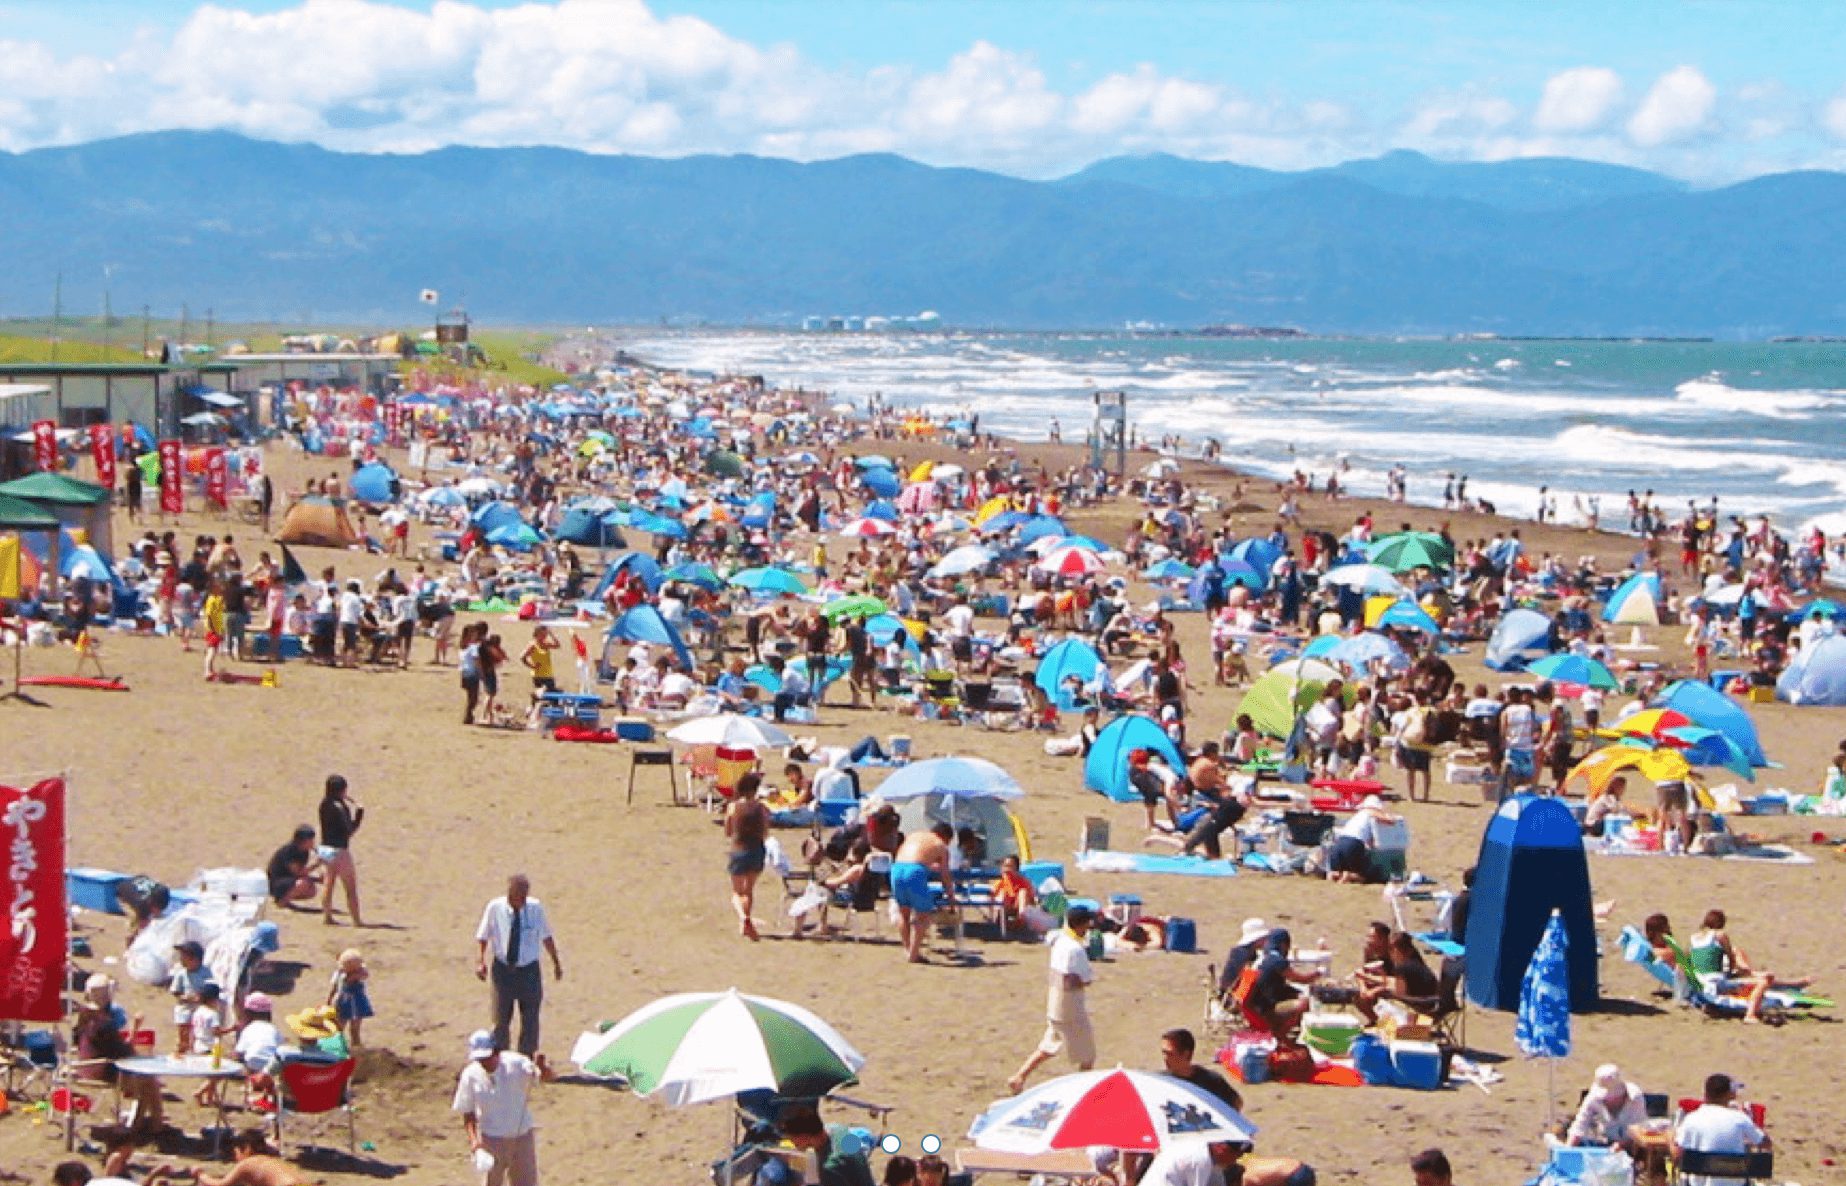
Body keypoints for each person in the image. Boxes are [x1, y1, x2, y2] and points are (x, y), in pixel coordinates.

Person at [1007, 904, 1097, 1094]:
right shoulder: (1076, 950)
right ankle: (1080, 1092)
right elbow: (1084, 979)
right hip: (1071, 1006)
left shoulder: (1060, 941)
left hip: (1055, 1001)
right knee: (1087, 1054)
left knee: (1049, 1044)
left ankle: (1019, 1076)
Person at [453, 1030, 557, 1186]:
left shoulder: (517, 1063)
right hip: (491, 1140)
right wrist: (475, 1142)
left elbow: (546, 1077)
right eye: (480, 1059)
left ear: (496, 1052)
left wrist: (542, 1067)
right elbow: (467, 1111)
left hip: (522, 1137)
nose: (484, 1063)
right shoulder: (470, 1075)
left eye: (487, 1058)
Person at [475, 875, 563, 1057]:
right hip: (503, 969)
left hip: (529, 970)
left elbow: (546, 936)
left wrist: (556, 962)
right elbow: (483, 936)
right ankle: (500, 1056)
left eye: (524, 896)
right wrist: (480, 960)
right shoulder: (495, 908)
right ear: (509, 894)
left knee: (530, 1017)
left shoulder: (535, 909)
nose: (521, 901)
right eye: (517, 896)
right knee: (501, 1017)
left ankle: (526, 1058)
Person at [1688, 909, 1813, 1023]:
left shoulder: (1694, 938)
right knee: (1763, 981)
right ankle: (1750, 1014)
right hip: (1715, 983)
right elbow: (1731, 958)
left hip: (1700, 983)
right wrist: (1736, 972)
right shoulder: (1719, 935)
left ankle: (1795, 984)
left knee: (1755, 976)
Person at [1672, 1072, 1768, 1186]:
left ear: (1705, 1094)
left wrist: (1670, 1139)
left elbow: (1677, 1153)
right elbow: (1765, 1143)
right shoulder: (1740, 1118)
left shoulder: (1692, 1119)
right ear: (1731, 1095)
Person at [890, 823, 954, 965]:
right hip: (915, 871)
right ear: (946, 837)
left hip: (896, 868)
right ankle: (914, 954)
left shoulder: (914, 836)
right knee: (923, 915)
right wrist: (951, 898)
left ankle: (908, 949)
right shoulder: (940, 845)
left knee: (903, 912)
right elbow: (945, 876)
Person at [723, 771, 771, 942]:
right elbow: (765, 832)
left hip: (739, 850)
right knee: (749, 890)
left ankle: (744, 919)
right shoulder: (762, 808)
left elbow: (728, 832)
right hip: (757, 850)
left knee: (736, 893)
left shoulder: (733, 807)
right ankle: (745, 924)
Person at [773, 1109, 875, 1186]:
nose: (792, 1142)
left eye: (793, 1138)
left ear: (804, 1136)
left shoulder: (830, 1167)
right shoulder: (837, 1129)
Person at [317, 774, 365, 926]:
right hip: (340, 851)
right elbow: (349, 830)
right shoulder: (339, 807)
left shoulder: (323, 804)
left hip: (325, 848)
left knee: (328, 883)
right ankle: (356, 920)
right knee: (350, 886)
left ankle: (327, 916)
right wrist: (359, 813)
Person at [1566, 1064, 1648, 1151]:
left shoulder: (1635, 1099)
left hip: (1634, 1146)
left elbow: (1640, 1131)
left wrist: (1623, 1145)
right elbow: (1579, 1126)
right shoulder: (1593, 1097)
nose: (1606, 1099)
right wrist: (1567, 1151)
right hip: (1608, 1144)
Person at [1159, 1027, 1242, 1111]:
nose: (1165, 1058)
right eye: (1163, 1052)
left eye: (1169, 1054)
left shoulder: (1210, 1081)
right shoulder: (1161, 1081)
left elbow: (1236, 1103)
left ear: (1185, 1054)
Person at [190, 1127, 309, 1185]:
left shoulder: (249, 1163)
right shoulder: (273, 1161)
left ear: (246, 1149)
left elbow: (220, 1185)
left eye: (236, 1154)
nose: (236, 1160)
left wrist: (200, 1174)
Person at [1138, 1140, 1243, 1186]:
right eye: (1237, 1155)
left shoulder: (1200, 1147)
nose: (1235, 1161)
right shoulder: (1201, 1158)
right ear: (1222, 1149)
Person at [328, 948, 374, 1047]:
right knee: (339, 1028)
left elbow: (364, 974)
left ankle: (356, 1048)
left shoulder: (359, 974)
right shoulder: (341, 974)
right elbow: (335, 988)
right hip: (343, 1002)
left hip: (356, 1003)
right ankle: (337, 1047)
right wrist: (329, 1001)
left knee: (354, 1029)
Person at [265, 826, 320, 907]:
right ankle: (282, 901)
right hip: (277, 882)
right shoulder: (290, 851)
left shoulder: (304, 852)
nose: (313, 842)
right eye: (310, 840)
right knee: (304, 883)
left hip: (289, 879)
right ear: (303, 841)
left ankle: (287, 895)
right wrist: (317, 864)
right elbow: (297, 873)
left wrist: (317, 878)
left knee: (312, 891)